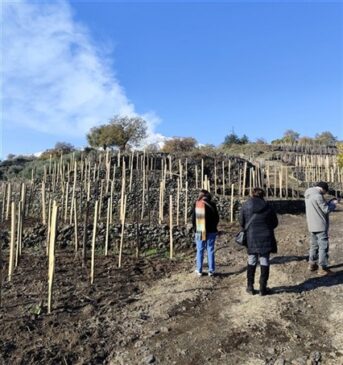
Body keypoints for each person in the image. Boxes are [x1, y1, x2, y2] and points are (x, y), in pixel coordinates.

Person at [239, 187, 278, 296]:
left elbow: (241, 221)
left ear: (252, 194)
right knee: (264, 260)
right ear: (263, 195)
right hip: (266, 236)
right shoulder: (268, 206)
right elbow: (275, 223)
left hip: (251, 237)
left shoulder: (246, 205)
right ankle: (262, 288)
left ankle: (250, 287)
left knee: (251, 260)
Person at [304, 181, 337, 276]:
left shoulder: (308, 193)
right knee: (323, 246)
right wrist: (333, 204)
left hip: (311, 224)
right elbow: (326, 209)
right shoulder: (318, 196)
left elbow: (317, 207)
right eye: (325, 192)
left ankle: (312, 264)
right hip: (320, 225)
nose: (325, 194)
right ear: (323, 189)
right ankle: (322, 268)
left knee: (314, 245)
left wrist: (328, 202)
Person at [192, 189, 219, 277]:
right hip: (211, 230)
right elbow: (217, 218)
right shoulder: (213, 204)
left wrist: (195, 229)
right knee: (210, 249)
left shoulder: (197, 204)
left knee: (200, 249)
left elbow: (193, 219)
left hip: (200, 229)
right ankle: (211, 271)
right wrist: (214, 226)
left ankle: (199, 270)